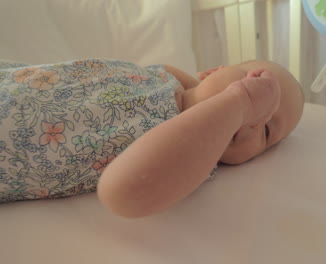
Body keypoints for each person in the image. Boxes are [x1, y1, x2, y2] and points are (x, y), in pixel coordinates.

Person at [0, 59, 304, 217]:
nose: (256, 116)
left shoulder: (189, 151)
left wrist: (239, 102)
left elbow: (126, 191)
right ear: (212, 71)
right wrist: (193, 85)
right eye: (254, 84)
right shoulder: (162, 78)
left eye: (266, 130)